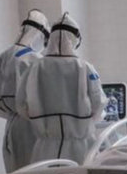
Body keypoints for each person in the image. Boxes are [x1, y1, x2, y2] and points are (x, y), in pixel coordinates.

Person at [16, 12, 106, 164]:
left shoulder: (34, 68)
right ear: (75, 39)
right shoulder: (85, 68)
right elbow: (98, 104)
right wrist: (86, 122)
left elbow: (21, 105)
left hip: (45, 147)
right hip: (80, 146)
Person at [0, 9, 50, 173]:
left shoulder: (2, 58)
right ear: (39, 35)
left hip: (12, 127)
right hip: (34, 129)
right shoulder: (35, 60)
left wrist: (14, 114)